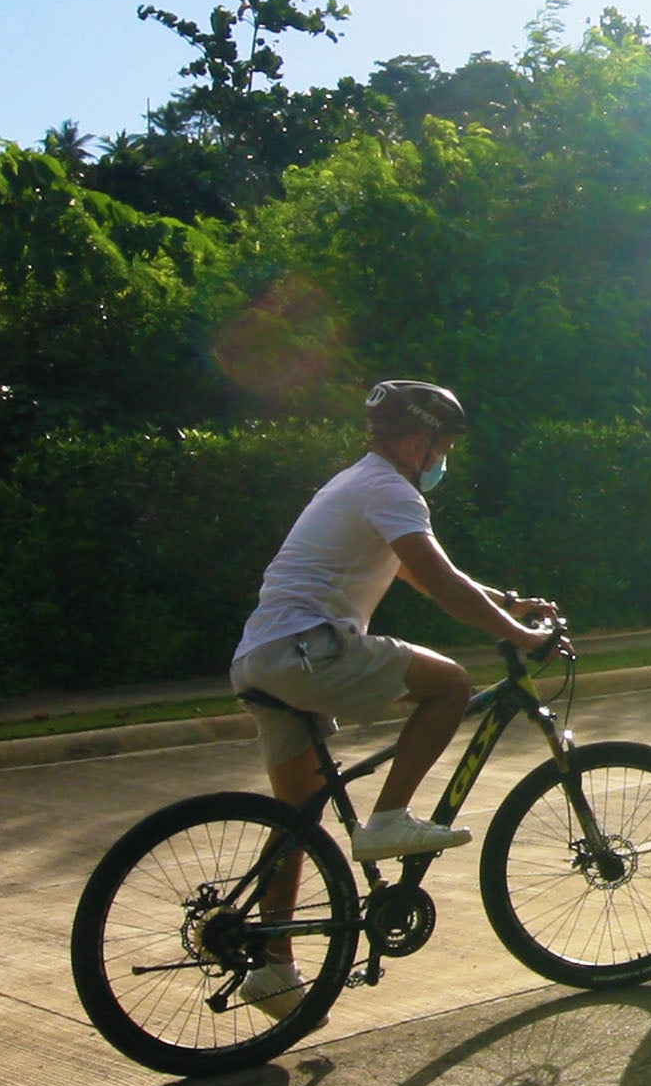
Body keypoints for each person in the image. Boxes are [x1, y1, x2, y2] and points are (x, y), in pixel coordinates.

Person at [229, 379, 560, 1015]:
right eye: (442, 444)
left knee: (296, 817)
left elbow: (413, 569)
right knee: (452, 683)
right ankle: (387, 820)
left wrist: (505, 602)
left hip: (262, 658)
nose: (443, 458)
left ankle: (273, 969)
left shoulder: (356, 482)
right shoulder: (389, 488)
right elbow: (437, 581)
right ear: (417, 439)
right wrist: (521, 635)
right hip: (312, 648)